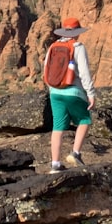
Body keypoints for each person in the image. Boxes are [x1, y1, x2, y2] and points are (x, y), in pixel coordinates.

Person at [44, 17, 96, 173]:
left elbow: (46, 68)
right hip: (73, 91)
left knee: (57, 127)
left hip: (55, 92)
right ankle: (75, 153)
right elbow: (85, 73)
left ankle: (55, 164)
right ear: (76, 32)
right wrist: (91, 93)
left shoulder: (53, 46)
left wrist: (52, 88)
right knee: (85, 119)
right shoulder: (78, 46)